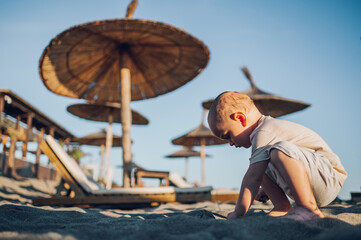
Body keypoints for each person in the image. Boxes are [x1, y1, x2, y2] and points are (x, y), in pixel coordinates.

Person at [207, 91, 347, 221]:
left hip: (329, 178)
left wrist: (238, 212)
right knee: (261, 161)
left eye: (227, 136)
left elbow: (252, 177)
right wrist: (266, 189)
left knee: (277, 152)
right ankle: (282, 207)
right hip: (315, 179)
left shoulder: (265, 131)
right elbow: (258, 173)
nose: (230, 143)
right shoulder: (262, 139)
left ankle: (308, 208)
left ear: (240, 119)